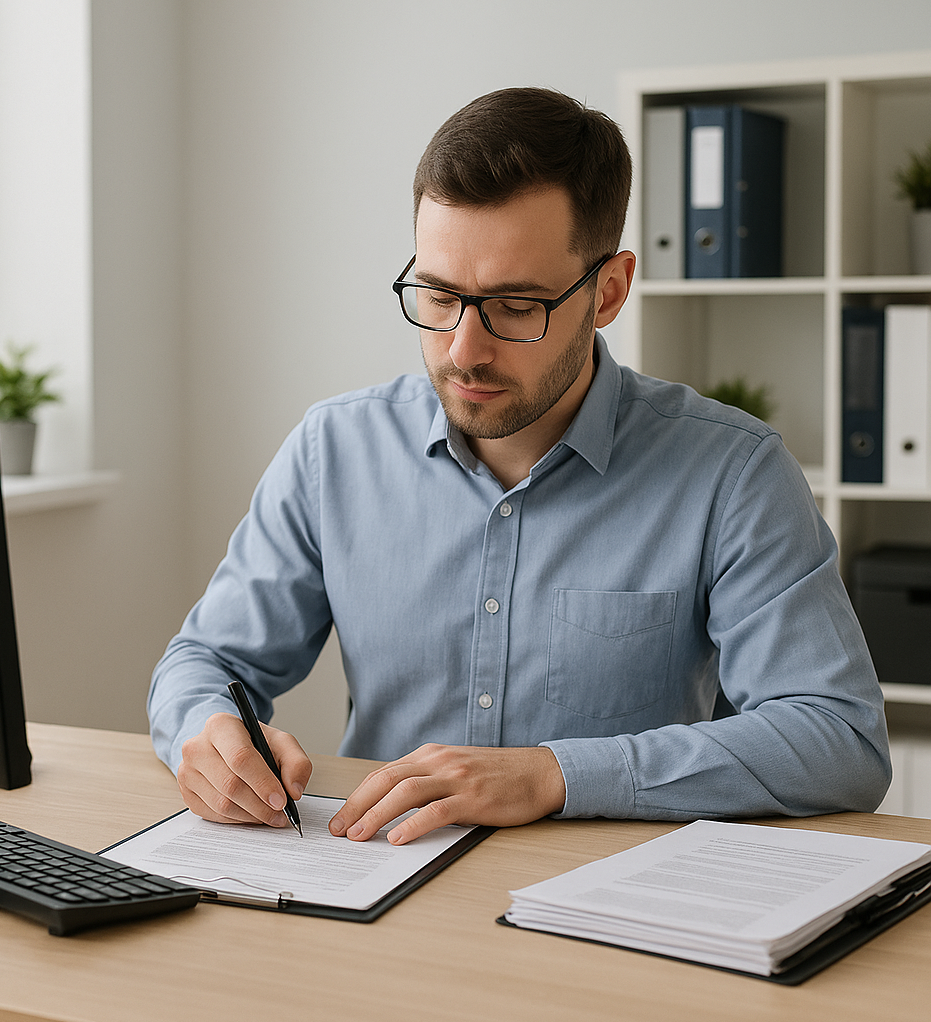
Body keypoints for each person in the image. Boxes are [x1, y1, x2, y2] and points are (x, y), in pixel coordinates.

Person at [148, 87, 890, 846]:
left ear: (609, 290)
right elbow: (206, 660)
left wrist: (553, 774)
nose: (464, 349)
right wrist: (208, 733)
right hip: (374, 886)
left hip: (611, 913)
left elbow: (839, 740)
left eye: (515, 305)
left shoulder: (732, 473)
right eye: (438, 294)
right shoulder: (331, 451)